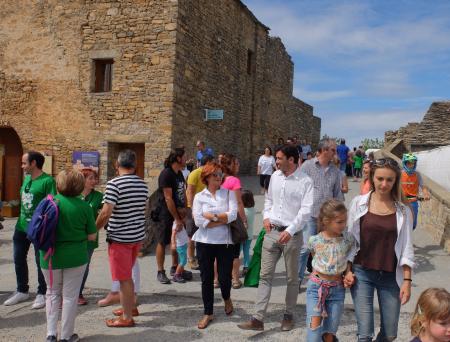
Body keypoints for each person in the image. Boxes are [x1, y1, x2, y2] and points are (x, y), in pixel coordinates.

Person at [238, 145, 314, 332]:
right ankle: (258, 318)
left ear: (292, 159)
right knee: (265, 276)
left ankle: (288, 315)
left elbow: (306, 210)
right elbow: (269, 200)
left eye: (279, 158)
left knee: (292, 278)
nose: (276, 161)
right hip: (271, 233)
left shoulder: (305, 181)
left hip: (292, 236)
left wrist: (291, 229)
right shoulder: (274, 177)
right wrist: (265, 217)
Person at [347, 157, 415, 341]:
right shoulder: (358, 203)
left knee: (390, 334)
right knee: (364, 333)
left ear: (395, 181)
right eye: (380, 179)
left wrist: (407, 280)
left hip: (391, 276)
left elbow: (407, 247)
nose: (384, 184)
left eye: (389, 180)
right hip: (362, 273)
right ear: (372, 178)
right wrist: (347, 270)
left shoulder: (404, 211)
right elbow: (349, 240)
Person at [42, 170, 97, 342]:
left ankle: (51, 334)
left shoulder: (47, 203)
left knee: (51, 294)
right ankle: (66, 336)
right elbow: (92, 236)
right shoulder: (84, 207)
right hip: (76, 257)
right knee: (70, 296)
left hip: (49, 257)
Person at [96, 150, 149, 327]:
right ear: (134, 166)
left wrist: (93, 230)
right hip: (136, 236)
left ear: (117, 165)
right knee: (128, 275)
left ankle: (127, 317)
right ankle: (131, 307)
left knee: (124, 278)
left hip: (120, 238)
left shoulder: (114, 184)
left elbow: (105, 212)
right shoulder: (142, 184)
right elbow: (143, 209)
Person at [4, 151, 56, 309]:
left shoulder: (47, 181)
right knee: (18, 258)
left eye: (24, 163)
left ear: (33, 163)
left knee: (39, 260)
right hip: (21, 226)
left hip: (38, 228)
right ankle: (22, 290)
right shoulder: (26, 179)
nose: (22, 166)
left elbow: (52, 204)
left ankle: (42, 292)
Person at [192, 162, 238, 329]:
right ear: (207, 178)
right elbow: (198, 220)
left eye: (220, 174)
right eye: (215, 175)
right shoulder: (199, 196)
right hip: (204, 242)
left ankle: (227, 298)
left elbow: (232, 215)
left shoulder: (228, 194)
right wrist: (220, 219)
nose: (219, 177)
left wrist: (211, 217)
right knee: (206, 279)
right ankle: (208, 312)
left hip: (224, 242)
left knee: (225, 278)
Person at [306, 199, 356, 342]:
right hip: (316, 289)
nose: (344, 225)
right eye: (339, 222)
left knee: (330, 333)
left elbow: (351, 256)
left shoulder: (348, 240)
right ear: (326, 221)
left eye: (345, 221)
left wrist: (348, 271)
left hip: (337, 291)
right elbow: (315, 257)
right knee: (314, 332)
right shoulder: (314, 240)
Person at [298, 138, 343, 288]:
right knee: (305, 248)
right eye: (333, 150)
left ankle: (320, 281)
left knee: (324, 249)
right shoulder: (307, 166)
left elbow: (338, 195)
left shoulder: (336, 172)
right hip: (310, 215)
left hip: (327, 219)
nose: (336, 153)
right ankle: (296, 282)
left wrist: (340, 215)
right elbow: (298, 188)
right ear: (324, 150)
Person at [155, 147, 187, 284]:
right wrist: (176, 218)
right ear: (178, 158)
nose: (187, 159)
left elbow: (182, 193)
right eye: (185, 157)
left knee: (179, 241)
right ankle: (160, 271)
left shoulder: (179, 173)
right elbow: (168, 198)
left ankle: (175, 267)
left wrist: (184, 210)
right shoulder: (166, 174)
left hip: (179, 213)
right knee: (163, 241)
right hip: (165, 213)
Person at [220, 153, 247, 289]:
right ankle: (235, 279)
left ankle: (216, 280)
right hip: (233, 218)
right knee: (235, 251)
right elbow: (238, 202)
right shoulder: (234, 180)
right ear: (230, 165)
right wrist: (244, 219)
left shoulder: (219, 179)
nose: (238, 166)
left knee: (219, 251)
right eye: (236, 163)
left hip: (220, 218)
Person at [78, 169, 103, 305]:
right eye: (91, 178)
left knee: (84, 266)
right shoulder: (73, 195)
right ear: (82, 180)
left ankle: (78, 293)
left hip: (89, 239)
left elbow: (107, 211)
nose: (95, 181)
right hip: (74, 238)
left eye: (95, 178)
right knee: (71, 266)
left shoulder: (98, 196)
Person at [186, 154, 214, 271]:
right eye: (212, 162)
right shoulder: (194, 174)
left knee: (204, 234)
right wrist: (193, 210)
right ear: (207, 162)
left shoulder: (209, 174)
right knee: (192, 236)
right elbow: (190, 192)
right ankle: (191, 259)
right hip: (194, 210)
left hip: (206, 209)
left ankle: (201, 257)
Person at [401, 153, 430, 230]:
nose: (411, 165)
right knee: (401, 224)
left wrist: (426, 193)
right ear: (405, 163)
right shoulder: (400, 174)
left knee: (413, 224)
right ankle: (404, 241)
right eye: (409, 163)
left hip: (413, 202)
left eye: (413, 163)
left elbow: (423, 186)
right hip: (401, 202)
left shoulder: (417, 174)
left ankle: (408, 239)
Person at [240, 190, 255, 276]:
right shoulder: (252, 209)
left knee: (237, 253)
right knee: (246, 252)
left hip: (241, 235)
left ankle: (233, 268)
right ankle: (246, 267)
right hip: (249, 235)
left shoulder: (243, 211)